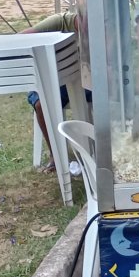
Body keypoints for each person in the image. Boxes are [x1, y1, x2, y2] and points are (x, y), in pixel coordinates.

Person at [23, 10, 91, 172]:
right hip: (57, 81)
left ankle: (100, 149)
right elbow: (20, 40)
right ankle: (56, 155)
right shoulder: (61, 23)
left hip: (90, 82)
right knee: (41, 103)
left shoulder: (109, 29)